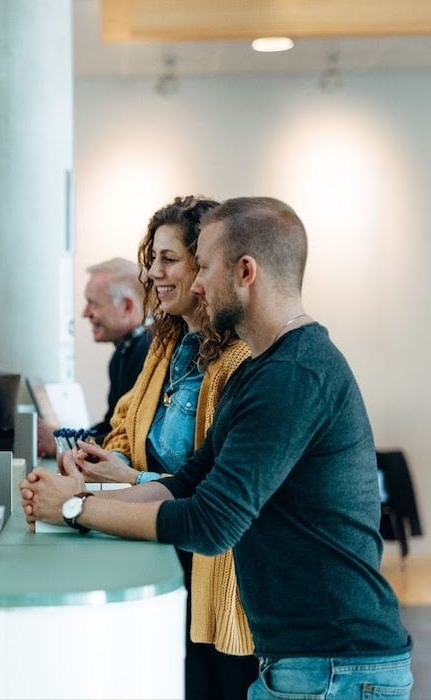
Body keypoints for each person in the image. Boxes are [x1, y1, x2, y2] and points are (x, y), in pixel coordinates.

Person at [21, 197, 412, 699]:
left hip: (335, 667)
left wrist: (76, 508)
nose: (196, 283)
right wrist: (74, 500)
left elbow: (210, 522)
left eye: (202, 267)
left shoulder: (292, 376)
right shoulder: (261, 371)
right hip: (308, 662)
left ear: (245, 272)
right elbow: (184, 485)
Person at [70, 196, 256, 699]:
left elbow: (211, 491)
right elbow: (126, 428)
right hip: (165, 545)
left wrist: (120, 484)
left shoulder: (240, 361)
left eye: (168, 259)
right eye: (151, 260)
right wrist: (116, 464)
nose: (153, 273)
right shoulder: (166, 345)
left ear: (207, 264)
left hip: (217, 571)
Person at [38, 257, 150, 456]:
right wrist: (62, 437)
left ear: (127, 306)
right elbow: (111, 427)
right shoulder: (123, 354)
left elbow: (126, 438)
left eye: (93, 303)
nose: (84, 313)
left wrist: (59, 443)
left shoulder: (147, 354)